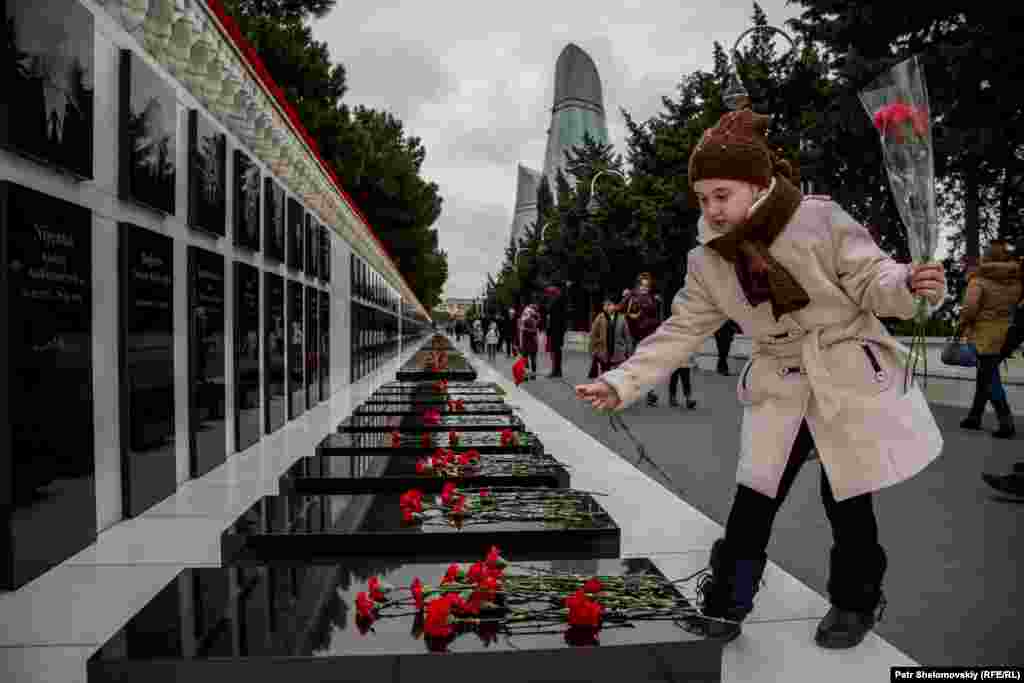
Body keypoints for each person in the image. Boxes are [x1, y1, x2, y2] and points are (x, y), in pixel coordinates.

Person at [574, 108, 947, 649]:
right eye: (703, 199)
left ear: (757, 184)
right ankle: (726, 605)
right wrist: (623, 380)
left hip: (843, 373)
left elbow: (873, 276)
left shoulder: (819, 219)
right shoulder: (707, 262)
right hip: (780, 382)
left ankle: (856, 602)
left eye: (722, 195)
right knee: (753, 502)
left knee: (847, 501)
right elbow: (681, 330)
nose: (712, 209)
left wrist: (908, 282)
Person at [958, 240, 1021, 439]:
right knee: (985, 374)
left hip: (983, 334)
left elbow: (969, 309)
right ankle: (974, 416)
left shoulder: (978, 280)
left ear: (987, 257)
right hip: (1006, 334)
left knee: (990, 376)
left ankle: (1006, 422)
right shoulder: (1017, 280)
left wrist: (962, 325)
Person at [622, 272, 662, 406]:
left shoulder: (653, 299)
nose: (644, 288)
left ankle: (649, 393)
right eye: (642, 285)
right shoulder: (630, 296)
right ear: (637, 285)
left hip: (648, 336)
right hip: (633, 336)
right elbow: (620, 310)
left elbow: (657, 318)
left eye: (647, 285)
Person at [545, 286, 568, 378]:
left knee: (555, 351)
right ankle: (557, 370)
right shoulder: (558, 301)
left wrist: (549, 329)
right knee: (556, 350)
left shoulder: (556, 301)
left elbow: (554, 317)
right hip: (557, 330)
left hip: (556, 330)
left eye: (549, 294)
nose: (548, 296)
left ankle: (556, 371)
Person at [518, 305, 540, 378]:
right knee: (530, 360)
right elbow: (534, 332)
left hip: (528, 344)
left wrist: (524, 329)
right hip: (531, 344)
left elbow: (533, 331)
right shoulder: (532, 321)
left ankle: (528, 376)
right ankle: (532, 375)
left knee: (528, 360)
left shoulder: (528, 321)